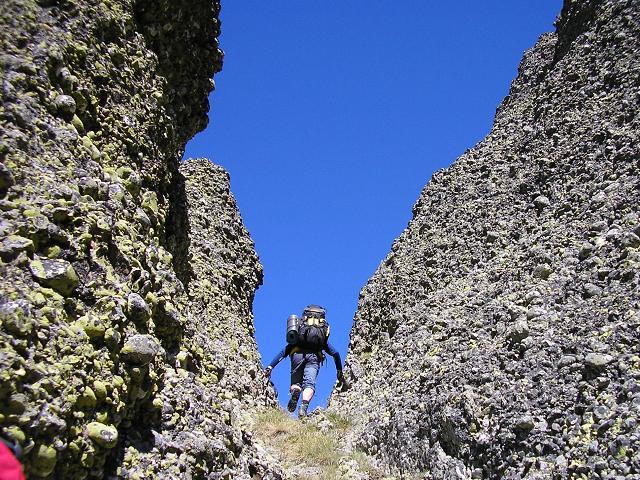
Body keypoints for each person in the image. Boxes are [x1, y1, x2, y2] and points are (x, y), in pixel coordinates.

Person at [264, 305, 344, 418]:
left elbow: (283, 352)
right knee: (309, 384)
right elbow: (335, 353)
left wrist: (270, 367)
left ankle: (296, 391)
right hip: (314, 357)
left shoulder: (299, 333)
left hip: (297, 355)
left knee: (296, 384)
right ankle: (303, 406)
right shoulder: (321, 337)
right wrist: (339, 371)